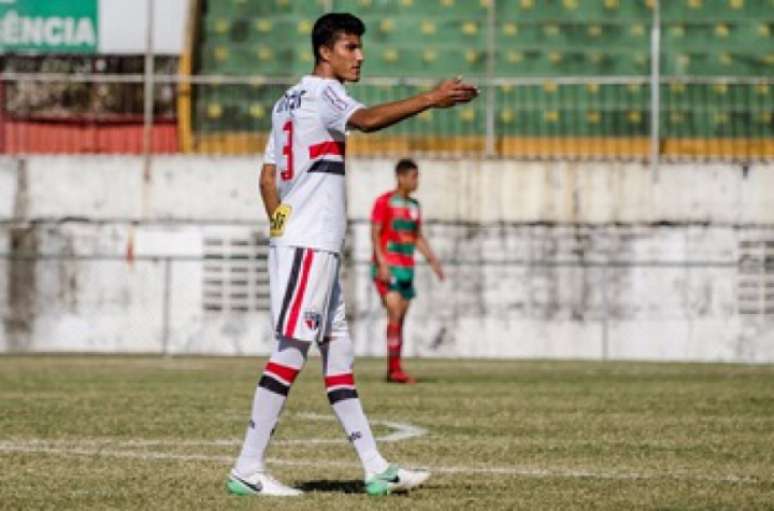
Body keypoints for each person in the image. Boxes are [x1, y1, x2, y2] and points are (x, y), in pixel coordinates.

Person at [227, 12, 477, 497]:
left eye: (360, 47)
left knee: (337, 347)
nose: (360, 56)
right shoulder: (325, 94)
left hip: (308, 242)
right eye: (350, 47)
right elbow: (366, 121)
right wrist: (430, 98)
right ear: (325, 52)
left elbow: (265, 179)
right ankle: (247, 468)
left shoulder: (286, 102)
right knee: (291, 349)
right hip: (309, 243)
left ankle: (375, 466)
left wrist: (281, 225)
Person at [371, 159, 444, 384]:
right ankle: (394, 370)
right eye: (413, 176)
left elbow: (416, 236)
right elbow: (375, 234)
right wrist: (381, 263)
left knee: (400, 318)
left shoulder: (414, 206)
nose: (416, 181)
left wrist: (433, 260)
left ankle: (394, 367)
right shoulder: (384, 202)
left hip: (406, 268)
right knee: (393, 313)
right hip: (389, 267)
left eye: (417, 176)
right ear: (400, 177)